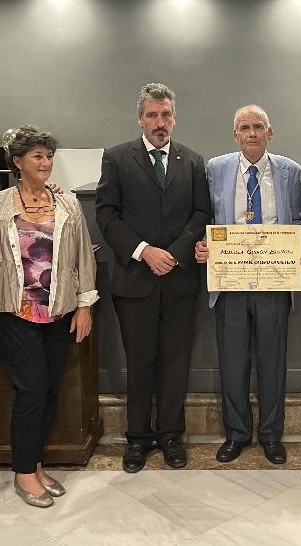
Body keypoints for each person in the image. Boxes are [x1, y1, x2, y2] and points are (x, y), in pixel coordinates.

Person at [95, 83, 211, 473]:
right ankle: (138, 439)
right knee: (140, 363)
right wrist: (145, 251)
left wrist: (174, 254)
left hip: (180, 281)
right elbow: (107, 216)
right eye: (152, 115)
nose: (159, 123)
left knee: (176, 363)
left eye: (165, 115)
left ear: (174, 118)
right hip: (135, 282)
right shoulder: (116, 158)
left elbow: (200, 214)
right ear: (140, 119)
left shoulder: (193, 161)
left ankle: (171, 436)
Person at [193, 105, 301, 465]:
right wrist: (202, 244)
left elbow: (298, 219)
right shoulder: (215, 169)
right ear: (235, 135)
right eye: (244, 127)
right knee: (232, 362)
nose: (251, 133)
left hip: (274, 281)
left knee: (273, 361)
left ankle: (272, 435)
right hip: (229, 281)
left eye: (258, 126)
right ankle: (237, 434)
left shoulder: (290, 171)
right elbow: (206, 216)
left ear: (270, 132)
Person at [0, 126, 98, 507]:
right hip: (15, 312)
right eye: (37, 157)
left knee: (50, 390)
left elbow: (84, 256)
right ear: (17, 162)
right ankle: (22, 471)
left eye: (49, 156)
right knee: (30, 390)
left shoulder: (68, 204)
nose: (45, 163)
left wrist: (84, 305)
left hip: (58, 309)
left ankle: (35, 464)